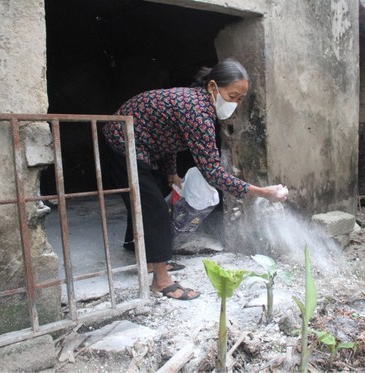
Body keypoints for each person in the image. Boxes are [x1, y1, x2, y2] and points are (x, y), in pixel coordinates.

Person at [102, 58, 288, 301]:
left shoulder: (197, 103)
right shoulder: (197, 111)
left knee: (148, 199)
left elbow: (169, 138)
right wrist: (264, 192)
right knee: (154, 207)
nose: (235, 104)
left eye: (240, 99)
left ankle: (146, 256)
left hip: (141, 143)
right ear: (212, 87)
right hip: (122, 143)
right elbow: (213, 172)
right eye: (232, 96)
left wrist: (171, 172)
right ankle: (160, 280)